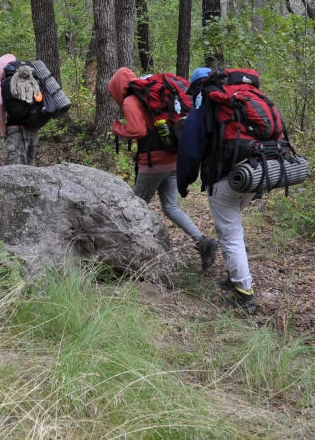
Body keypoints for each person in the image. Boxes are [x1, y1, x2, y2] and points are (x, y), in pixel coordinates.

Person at [109, 66, 218, 271]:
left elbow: (137, 130)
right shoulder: (151, 94)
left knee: (137, 206)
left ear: (116, 88)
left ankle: (131, 256)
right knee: (171, 207)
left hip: (153, 163)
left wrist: (117, 128)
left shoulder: (130, 101)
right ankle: (202, 242)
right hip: (173, 158)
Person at [177, 67, 257, 314]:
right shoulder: (241, 105)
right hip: (252, 177)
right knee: (233, 229)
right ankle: (235, 278)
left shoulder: (203, 111)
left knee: (231, 235)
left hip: (224, 179)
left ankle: (245, 296)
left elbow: (189, 151)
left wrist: (184, 182)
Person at [0, 54, 43, 165]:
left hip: (15, 129)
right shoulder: (32, 78)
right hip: (34, 127)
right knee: (30, 162)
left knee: (15, 168)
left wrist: (3, 131)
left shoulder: (3, 84)